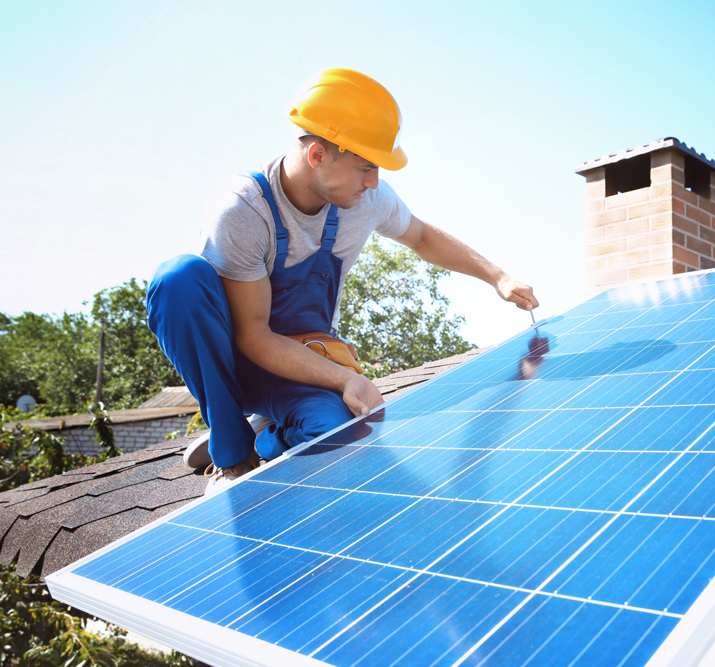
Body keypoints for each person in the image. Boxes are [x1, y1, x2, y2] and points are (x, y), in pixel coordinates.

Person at [146, 68, 537, 494]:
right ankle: (232, 451)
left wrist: (496, 276)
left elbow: (422, 236)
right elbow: (254, 336)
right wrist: (344, 379)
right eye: (365, 168)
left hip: (301, 363)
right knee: (178, 278)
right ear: (317, 155)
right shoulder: (243, 209)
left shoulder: (364, 201)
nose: (374, 183)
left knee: (336, 437)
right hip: (232, 359)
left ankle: (268, 431)